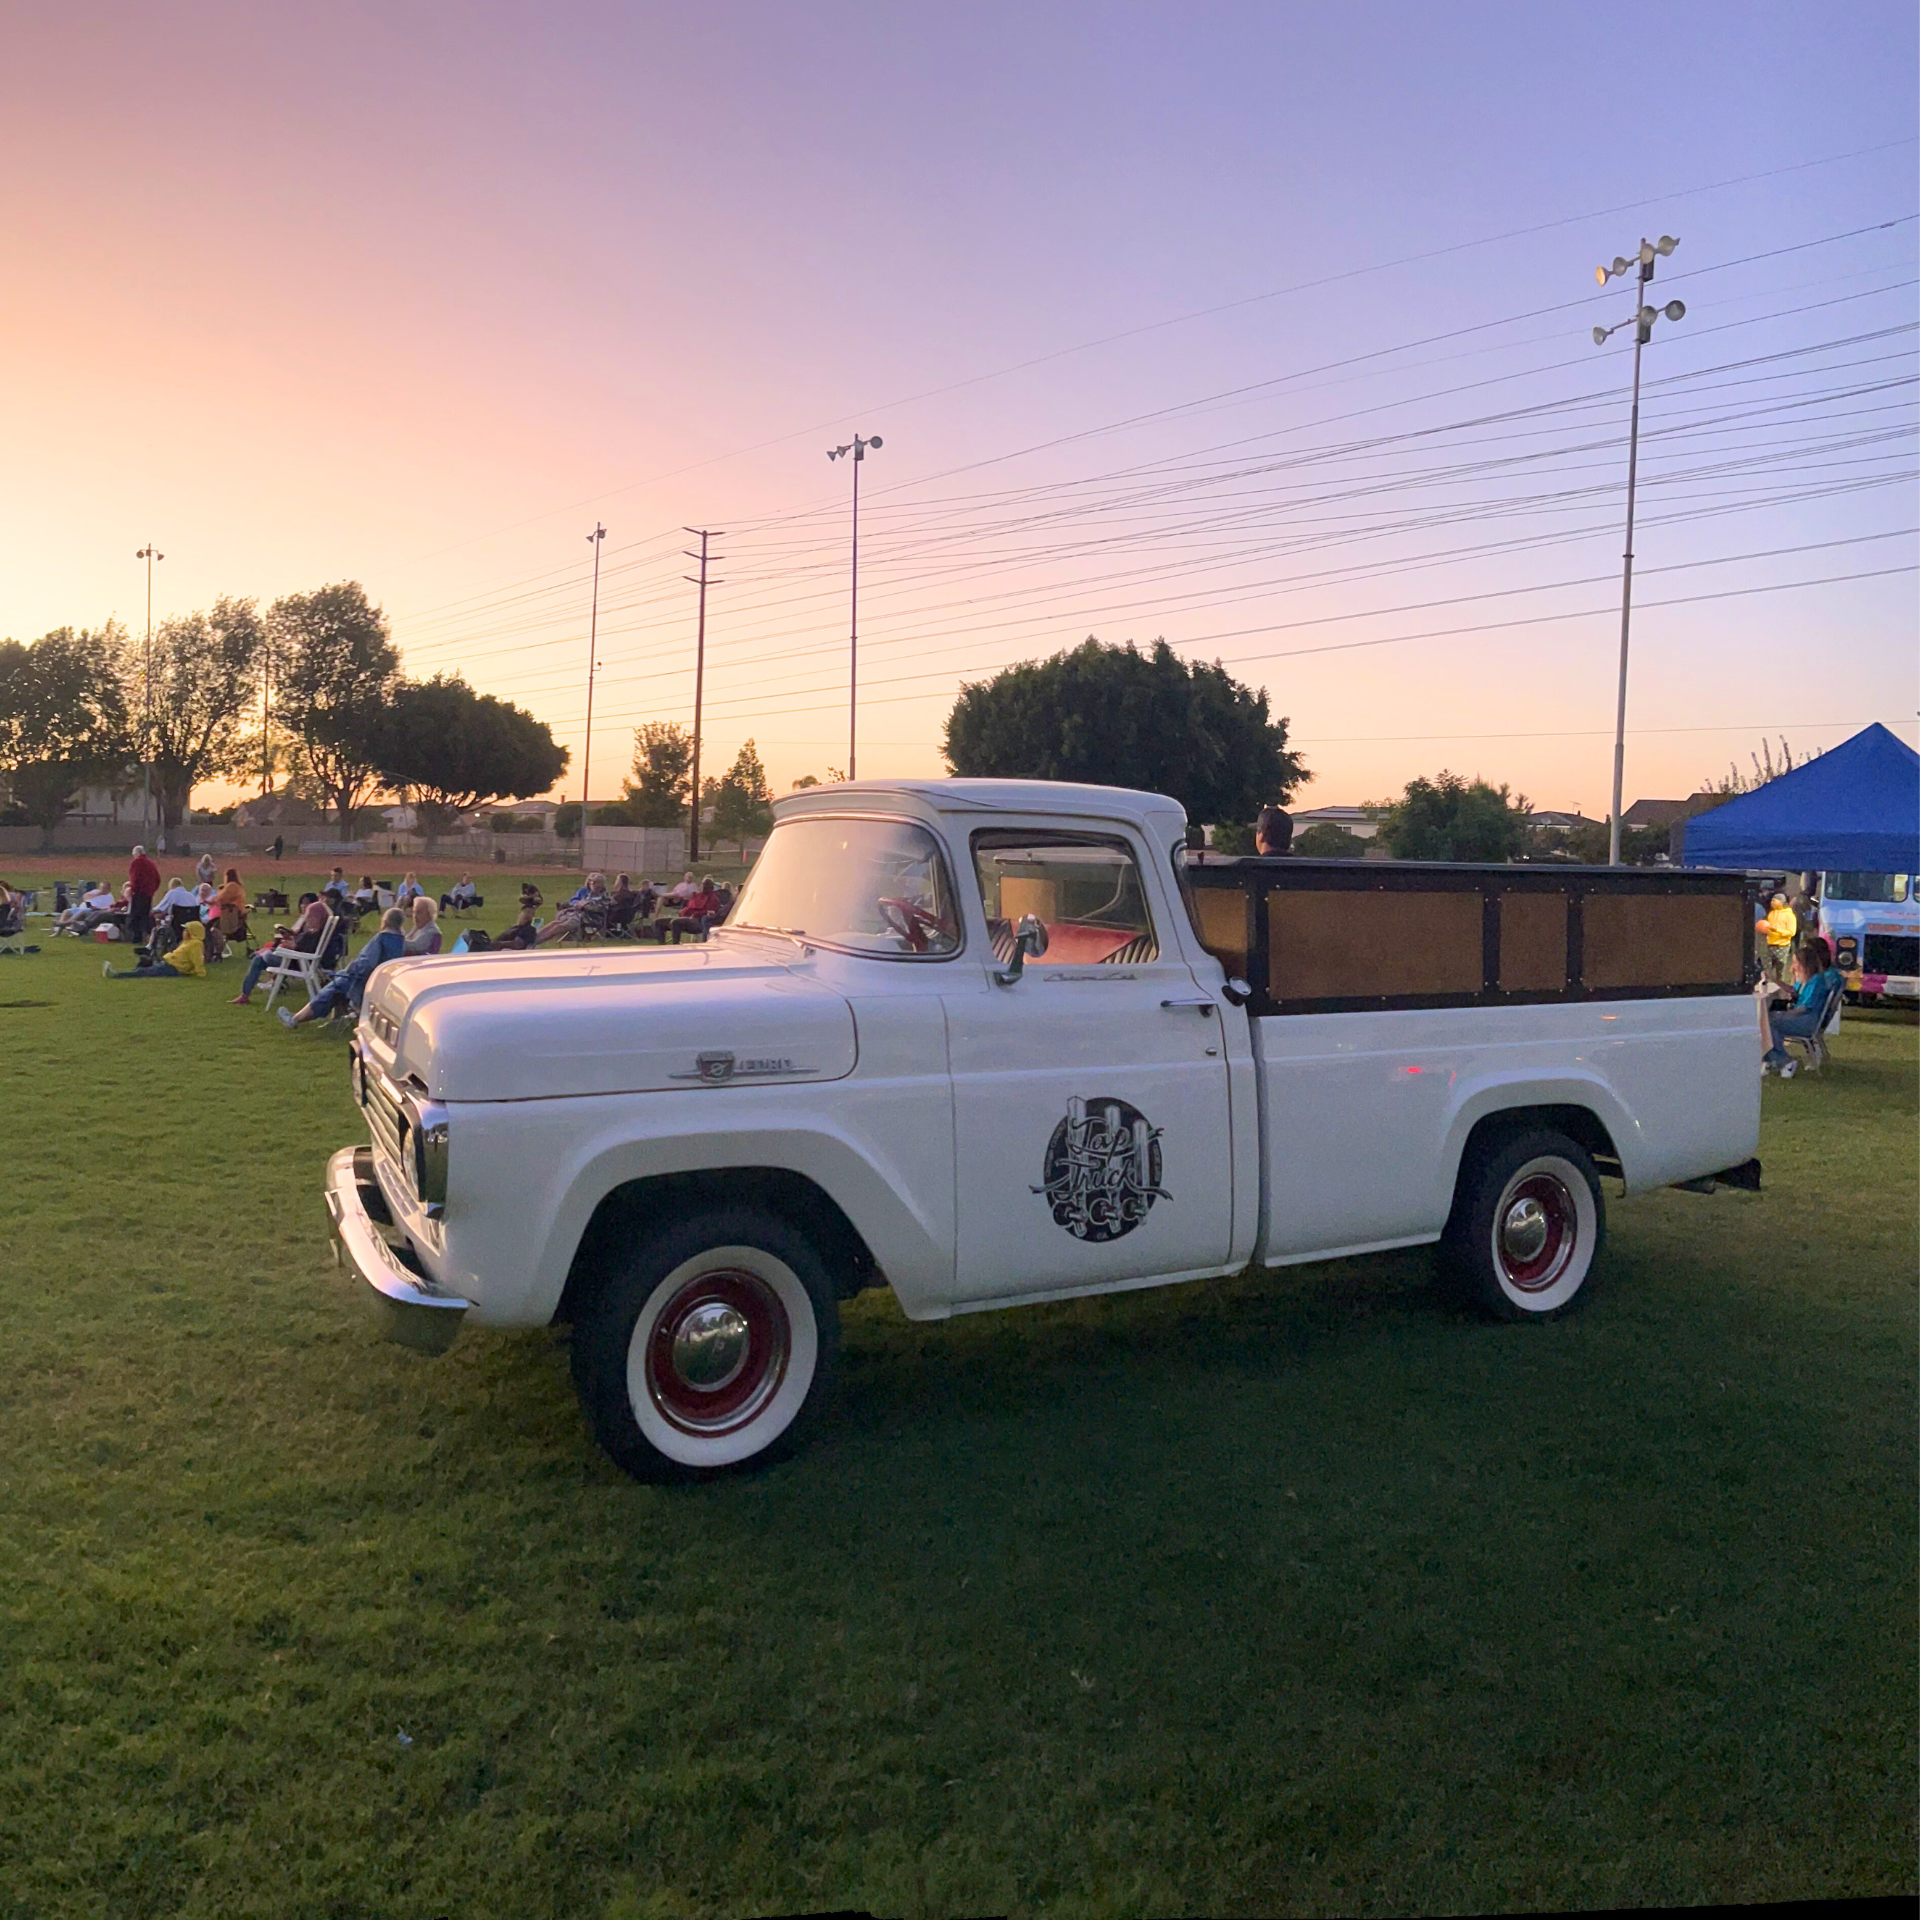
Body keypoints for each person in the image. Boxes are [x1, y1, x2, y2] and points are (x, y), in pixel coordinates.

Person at [279, 908, 406, 1026]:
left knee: (329, 991)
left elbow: (366, 963)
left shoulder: (382, 938)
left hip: (361, 981)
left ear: (385, 921)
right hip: (380, 982)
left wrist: (350, 969)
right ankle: (336, 1020)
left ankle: (295, 1019)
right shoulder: (400, 941)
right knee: (337, 984)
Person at [1760, 937, 1844, 1078]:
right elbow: (1793, 991)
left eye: (1795, 963)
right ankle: (1772, 1059)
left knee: (1767, 1023)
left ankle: (1783, 1061)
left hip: (1807, 1021)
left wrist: (1785, 1014)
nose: (1792, 966)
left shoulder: (1816, 981)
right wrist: (1774, 979)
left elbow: (1805, 1007)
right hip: (1803, 1017)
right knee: (1767, 1021)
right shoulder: (1807, 980)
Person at [232, 893, 329, 1003]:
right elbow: (301, 945)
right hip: (296, 959)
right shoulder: (314, 930)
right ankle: (245, 994)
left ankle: (245, 995)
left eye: (311, 917)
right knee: (259, 958)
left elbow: (303, 948)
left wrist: (290, 945)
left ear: (318, 917)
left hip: (297, 961)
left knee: (261, 958)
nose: (309, 919)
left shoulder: (313, 933)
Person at [104, 918, 205, 980]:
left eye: (186, 930)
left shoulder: (195, 944)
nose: (184, 932)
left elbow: (197, 959)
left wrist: (200, 972)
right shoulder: (188, 942)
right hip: (169, 964)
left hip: (173, 968)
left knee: (144, 972)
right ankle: (125, 973)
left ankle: (117, 975)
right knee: (145, 970)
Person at [536, 873, 610, 945]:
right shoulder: (585, 892)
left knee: (559, 927)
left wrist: (585, 906)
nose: (596, 885)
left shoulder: (604, 897)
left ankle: (536, 942)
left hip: (588, 919)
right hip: (574, 914)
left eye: (598, 884)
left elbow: (599, 908)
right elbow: (573, 901)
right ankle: (532, 939)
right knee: (554, 923)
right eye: (593, 883)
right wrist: (578, 904)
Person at [1755, 889, 1797, 984]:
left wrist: (1777, 930)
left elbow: (1791, 932)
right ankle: (1768, 982)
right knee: (1767, 967)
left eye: (1774, 901)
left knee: (1780, 968)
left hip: (1782, 945)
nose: (1772, 903)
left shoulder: (1789, 916)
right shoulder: (1771, 914)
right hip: (1770, 944)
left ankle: (1779, 984)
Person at [126, 845, 160, 944]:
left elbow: (134, 878)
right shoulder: (151, 864)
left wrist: (133, 889)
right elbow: (157, 879)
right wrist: (152, 890)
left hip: (139, 893)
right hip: (148, 894)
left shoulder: (136, 863)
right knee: (145, 915)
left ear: (136, 854)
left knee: (136, 916)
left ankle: (137, 938)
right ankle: (149, 936)